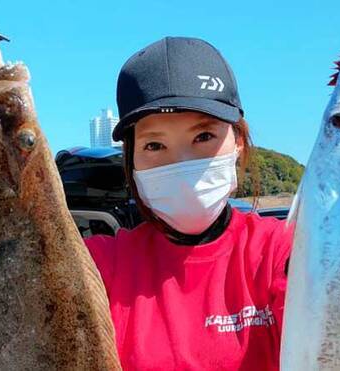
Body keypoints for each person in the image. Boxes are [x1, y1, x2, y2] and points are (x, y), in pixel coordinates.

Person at [84, 37, 293, 370]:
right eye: (154, 145)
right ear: (132, 158)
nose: (181, 166)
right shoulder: (98, 265)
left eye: (203, 137)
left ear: (238, 140)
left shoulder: (280, 253)